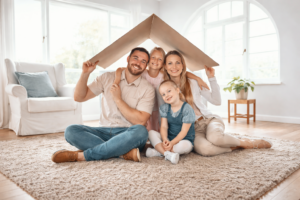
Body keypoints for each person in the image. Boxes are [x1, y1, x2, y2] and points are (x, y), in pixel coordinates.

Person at [51, 47, 155, 163]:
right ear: (128, 58)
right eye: (135, 58)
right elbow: (79, 97)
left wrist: (118, 99)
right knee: (71, 131)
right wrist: (85, 73)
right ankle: (123, 153)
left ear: (146, 66)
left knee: (141, 131)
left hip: (127, 135)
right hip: (103, 131)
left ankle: (83, 156)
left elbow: (140, 121)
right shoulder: (107, 77)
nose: (138, 63)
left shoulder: (147, 88)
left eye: (143, 61)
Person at [159, 50, 272, 157]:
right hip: (192, 129)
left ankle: (246, 143)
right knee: (205, 150)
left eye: (178, 62)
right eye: (170, 63)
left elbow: (216, 101)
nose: (174, 67)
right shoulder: (164, 90)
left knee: (216, 139)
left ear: (183, 65)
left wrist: (211, 77)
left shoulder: (193, 82)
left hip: (208, 119)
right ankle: (234, 147)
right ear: (165, 66)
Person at [113, 47, 209, 132]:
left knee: (159, 128)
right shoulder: (142, 73)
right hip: (143, 108)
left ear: (163, 64)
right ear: (148, 60)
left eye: (160, 59)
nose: (156, 61)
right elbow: (120, 69)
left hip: (158, 109)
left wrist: (198, 78)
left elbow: (182, 73)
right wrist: (116, 81)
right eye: (153, 57)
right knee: (145, 129)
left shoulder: (163, 76)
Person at [146, 80, 196, 164]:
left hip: (183, 139)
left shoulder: (187, 109)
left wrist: (172, 143)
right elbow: (164, 126)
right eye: (163, 94)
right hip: (169, 138)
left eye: (169, 91)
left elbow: (184, 131)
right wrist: (165, 139)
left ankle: (159, 152)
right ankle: (167, 154)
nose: (167, 95)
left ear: (177, 90)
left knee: (185, 146)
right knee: (151, 133)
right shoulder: (164, 108)